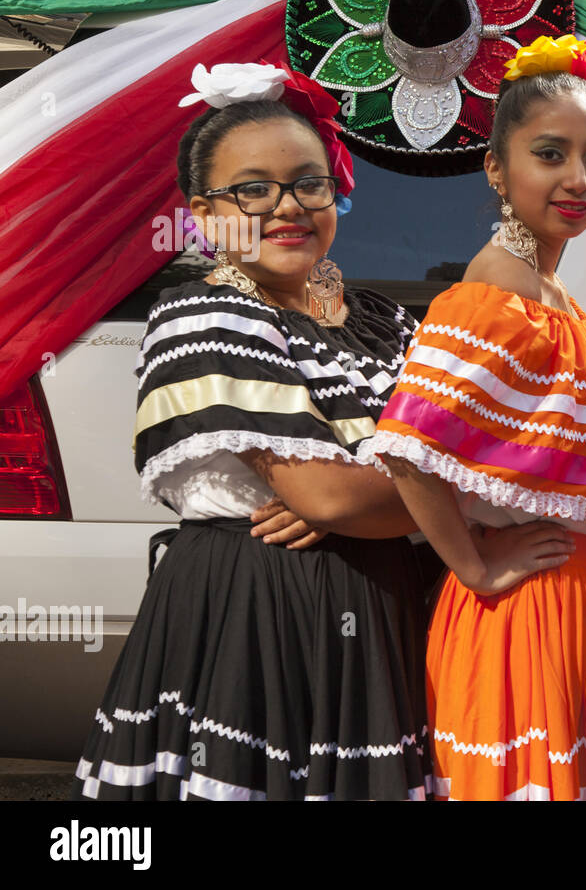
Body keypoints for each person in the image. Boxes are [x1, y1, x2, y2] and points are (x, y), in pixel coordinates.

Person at [75, 62, 437, 800]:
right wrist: (435, 499)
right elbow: (333, 496)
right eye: (252, 189)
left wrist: (390, 498)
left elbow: (468, 459)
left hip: (384, 608)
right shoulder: (205, 317)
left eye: (309, 182)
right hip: (258, 615)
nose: (287, 206)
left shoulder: (382, 320)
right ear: (204, 215)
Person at [359, 35, 586, 800]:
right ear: (496, 168)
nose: (578, 178)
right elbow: (408, 447)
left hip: (574, 598)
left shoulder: (545, 293)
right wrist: (474, 562)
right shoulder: (496, 297)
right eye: (550, 153)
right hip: (524, 609)